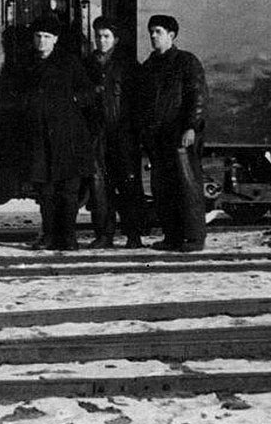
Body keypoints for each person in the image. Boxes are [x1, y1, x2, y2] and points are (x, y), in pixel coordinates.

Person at [23, 15, 97, 251]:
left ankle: (68, 238)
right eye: (38, 37)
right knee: (45, 191)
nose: (41, 41)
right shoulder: (28, 64)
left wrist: (70, 102)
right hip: (40, 137)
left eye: (46, 37)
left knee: (67, 190)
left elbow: (87, 93)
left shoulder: (69, 63)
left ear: (55, 39)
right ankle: (48, 235)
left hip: (67, 136)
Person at [139, 14, 208, 252]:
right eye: (151, 31)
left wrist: (191, 126)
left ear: (171, 35)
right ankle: (172, 237)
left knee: (187, 186)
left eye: (158, 31)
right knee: (164, 189)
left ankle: (193, 238)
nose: (153, 36)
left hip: (179, 135)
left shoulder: (186, 62)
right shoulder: (149, 65)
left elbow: (197, 96)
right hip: (158, 138)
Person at [83, 16, 146, 249]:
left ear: (115, 39)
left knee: (128, 185)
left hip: (122, 134)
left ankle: (133, 235)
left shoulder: (128, 66)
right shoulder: (87, 65)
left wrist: (134, 131)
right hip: (97, 134)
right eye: (98, 36)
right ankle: (104, 235)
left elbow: (138, 101)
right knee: (100, 187)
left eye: (106, 36)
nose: (101, 40)